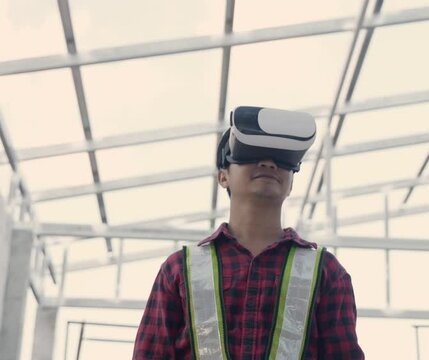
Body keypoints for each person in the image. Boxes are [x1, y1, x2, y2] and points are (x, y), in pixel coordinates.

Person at [133, 106, 364, 359]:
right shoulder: (179, 269)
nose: (268, 163)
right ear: (223, 177)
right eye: (250, 155)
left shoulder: (327, 271)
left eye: (282, 159)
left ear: (291, 184)